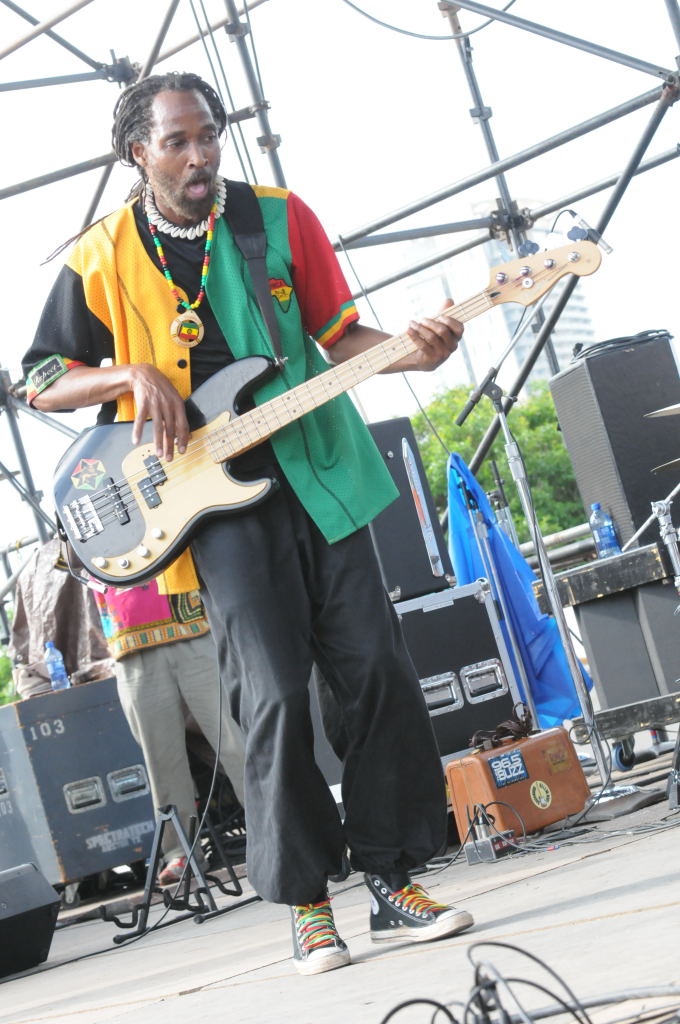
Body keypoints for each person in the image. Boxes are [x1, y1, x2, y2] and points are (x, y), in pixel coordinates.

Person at [23, 72, 473, 976]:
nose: (200, 156)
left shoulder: (279, 217)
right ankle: (308, 904)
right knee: (269, 696)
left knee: (377, 673)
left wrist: (411, 353)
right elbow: (41, 377)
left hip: (323, 473)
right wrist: (127, 377)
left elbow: (338, 337)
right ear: (138, 153)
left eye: (208, 136)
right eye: (178, 142)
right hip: (213, 506)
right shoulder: (101, 254)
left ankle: (393, 879)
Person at [93, 579, 246, 885]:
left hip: (194, 626)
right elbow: (71, 561)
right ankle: (181, 852)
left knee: (237, 743)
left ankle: (279, 827)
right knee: (162, 761)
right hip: (130, 642)